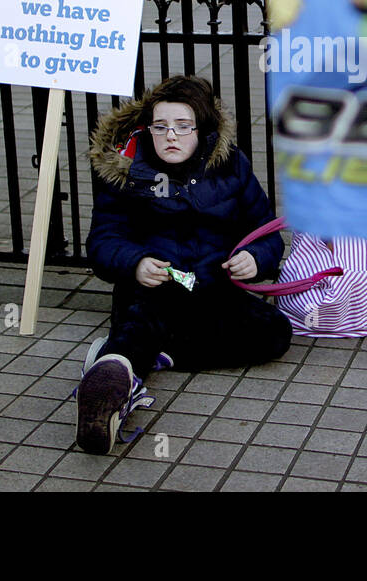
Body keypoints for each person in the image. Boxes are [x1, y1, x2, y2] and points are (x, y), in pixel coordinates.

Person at [78, 74, 291, 454]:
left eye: (182, 126)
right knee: (142, 322)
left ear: (203, 128)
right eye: (160, 127)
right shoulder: (127, 170)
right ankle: (112, 383)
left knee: (274, 332)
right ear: (148, 128)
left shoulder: (231, 165)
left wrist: (255, 258)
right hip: (152, 288)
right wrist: (136, 262)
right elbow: (102, 240)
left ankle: (130, 358)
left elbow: (265, 232)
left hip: (214, 287)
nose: (170, 136)